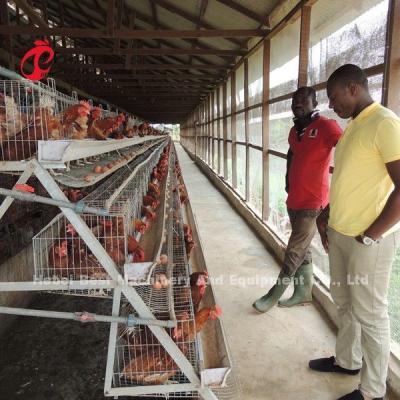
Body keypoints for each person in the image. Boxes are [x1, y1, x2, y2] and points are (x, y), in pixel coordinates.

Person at [309, 64, 400, 400]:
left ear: (352, 88)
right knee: (345, 303)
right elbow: (351, 180)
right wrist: (327, 215)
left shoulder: (385, 123)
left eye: (333, 97)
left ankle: (373, 390)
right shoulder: (353, 127)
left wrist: (372, 234)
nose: (332, 106)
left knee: (371, 314)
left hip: (368, 240)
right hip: (342, 234)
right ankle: (347, 361)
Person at [252, 86, 342, 313]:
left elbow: (348, 148)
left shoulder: (326, 126)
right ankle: (303, 293)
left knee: (294, 250)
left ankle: (275, 293)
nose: (297, 103)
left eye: (303, 99)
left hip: (314, 202)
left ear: (314, 103)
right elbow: (293, 154)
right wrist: (287, 179)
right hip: (294, 198)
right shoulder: (295, 131)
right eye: (294, 100)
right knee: (304, 249)